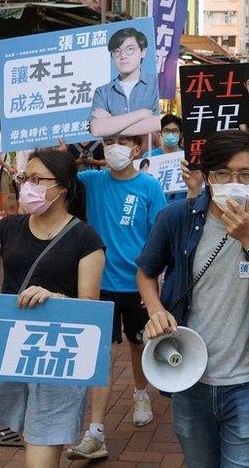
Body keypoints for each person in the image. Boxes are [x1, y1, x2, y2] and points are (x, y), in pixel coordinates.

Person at [135, 130, 249, 467]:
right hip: (188, 376)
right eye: (223, 174)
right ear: (207, 176)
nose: (234, 182)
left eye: (245, 175)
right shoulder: (176, 218)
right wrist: (155, 310)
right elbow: (145, 272)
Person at [0, 149, 106, 467]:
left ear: (62, 187)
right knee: (28, 434)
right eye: (24, 178)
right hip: (12, 350)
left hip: (57, 354)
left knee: (41, 447)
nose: (27, 186)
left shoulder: (85, 238)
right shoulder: (9, 228)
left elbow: (90, 307)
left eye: (37, 179)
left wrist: (54, 298)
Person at [67, 136, 168, 461]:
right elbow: (61, 177)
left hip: (138, 283)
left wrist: (156, 280)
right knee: (102, 353)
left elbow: (160, 233)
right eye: (109, 140)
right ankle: (96, 432)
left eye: (123, 141)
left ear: (137, 149)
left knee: (139, 344)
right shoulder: (91, 181)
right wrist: (62, 153)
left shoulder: (149, 186)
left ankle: (141, 393)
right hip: (99, 284)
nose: (114, 147)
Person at [89, 27, 161, 138]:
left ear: (143, 52)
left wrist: (110, 124)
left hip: (149, 154)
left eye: (130, 49)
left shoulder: (157, 86)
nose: (123, 56)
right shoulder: (102, 92)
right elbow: (97, 129)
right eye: (117, 51)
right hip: (114, 154)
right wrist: (142, 113)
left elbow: (158, 123)